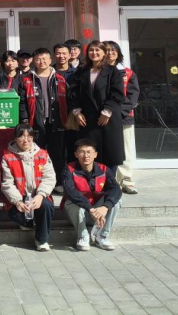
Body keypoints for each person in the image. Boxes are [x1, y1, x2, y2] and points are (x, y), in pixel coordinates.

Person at [68, 40, 126, 180]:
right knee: (89, 153)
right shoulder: (81, 71)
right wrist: (77, 112)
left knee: (110, 153)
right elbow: (73, 93)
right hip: (88, 119)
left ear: (104, 53)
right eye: (91, 50)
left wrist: (107, 111)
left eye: (97, 50)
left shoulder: (113, 71)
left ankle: (110, 184)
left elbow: (117, 94)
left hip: (109, 119)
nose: (94, 53)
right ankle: (93, 184)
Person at [1, 123, 56, 251]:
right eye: (21, 136)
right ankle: (27, 222)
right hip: (20, 196)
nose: (26, 140)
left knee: (46, 206)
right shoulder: (7, 157)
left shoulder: (42, 154)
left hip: (37, 195)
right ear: (15, 138)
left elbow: (49, 178)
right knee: (17, 214)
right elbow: (7, 183)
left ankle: (41, 240)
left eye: (29, 136)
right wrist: (17, 201)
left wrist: (41, 195)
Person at [18, 48, 70, 178]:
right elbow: (22, 102)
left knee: (57, 153)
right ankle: (37, 179)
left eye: (44, 59)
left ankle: (58, 181)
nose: (41, 62)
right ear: (33, 61)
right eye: (38, 59)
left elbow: (68, 100)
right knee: (36, 152)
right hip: (35, 122)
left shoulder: (60, 79)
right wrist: (25, 120)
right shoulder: (27, 80)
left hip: (57, 122)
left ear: (50, 60)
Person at [62, 138, 122, 251]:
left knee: (116, 200)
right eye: (82, 152)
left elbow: (116, 189)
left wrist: (105, 207)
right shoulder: (68, 169)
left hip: (97, 213)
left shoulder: (104, 169)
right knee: (71, 202)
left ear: (95, 154)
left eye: (89, 152)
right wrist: (90, 208)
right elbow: (70, 192)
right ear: (76, 154)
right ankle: (83, 236)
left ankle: (102, 235)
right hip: (76, 214)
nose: (86, 156)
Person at [104, 41, 139, 195]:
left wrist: (118, 113)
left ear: (118, 53)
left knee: (126, 151)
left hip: (123, 117)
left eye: (113, 50)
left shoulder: (127, 73)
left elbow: (132, 96)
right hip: (103, 117)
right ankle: (107, 181)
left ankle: (126, 181)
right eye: (107, 50)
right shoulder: (97, 72)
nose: (110, 53)